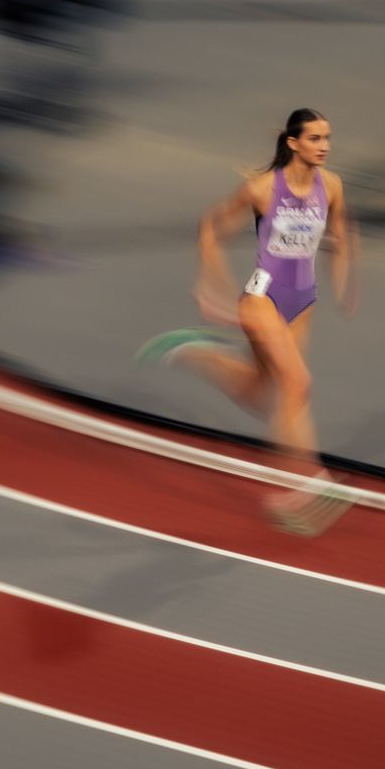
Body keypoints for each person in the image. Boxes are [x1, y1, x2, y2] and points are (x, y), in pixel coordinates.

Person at [138, 108, 357, 535]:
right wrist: (210, 284)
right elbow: (209, 227)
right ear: (294, 143)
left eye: (328, 137)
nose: (325, 146)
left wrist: (346, 280)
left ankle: (196, 349)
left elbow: (343, 233)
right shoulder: (259, 190)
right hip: (263, 299)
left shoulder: (331, 186)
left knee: (258, 393)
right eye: (315, 138)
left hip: (303, 301)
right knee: (298, 384)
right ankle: (305, 483)